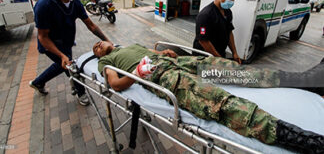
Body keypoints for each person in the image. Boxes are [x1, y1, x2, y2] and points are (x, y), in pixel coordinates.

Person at [93, 41, 324, 153]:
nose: (98, 45)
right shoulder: (106, 61)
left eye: (99, 42)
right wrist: (136, 73)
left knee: (227, 69)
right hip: (159, 74)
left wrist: (162, 52)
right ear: (99, 55)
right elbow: (115, 83)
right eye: (95, 47)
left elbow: (152, 53)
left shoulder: (130, 45)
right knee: (215, 99)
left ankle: (306, 81)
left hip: (173, 62)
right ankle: (301, 139)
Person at [29, 0, 111, 106]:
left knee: (62, 66)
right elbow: (42, 37)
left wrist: (107, 40)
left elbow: (91, 25)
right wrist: (61, 55)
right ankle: (81, 93)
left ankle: (37, 82)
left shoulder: (75, 3)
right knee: (72, 68)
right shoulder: (44, 6)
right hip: (51, 45)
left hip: (66, 42)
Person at [193, 0, 242, 64]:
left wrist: (234, 53)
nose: (232, 2)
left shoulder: (228, 12)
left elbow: (229, 32)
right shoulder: (206, 15)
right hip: (204, 58)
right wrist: (219, 59)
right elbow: (203, 41)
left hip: (219, 54)